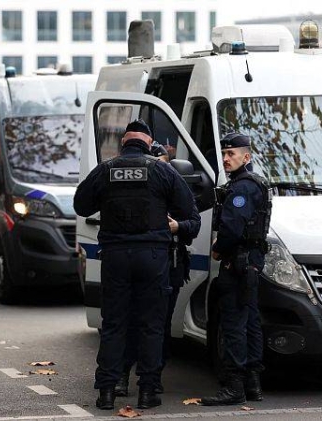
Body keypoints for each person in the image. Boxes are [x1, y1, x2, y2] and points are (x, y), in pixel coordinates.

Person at [74, 119, 196, 410]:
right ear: (149, 143)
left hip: (115, 257)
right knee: (151, 324)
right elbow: (191, 215)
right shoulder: (162, 170)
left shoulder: (106, 170)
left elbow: (81, 205)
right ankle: (148, 391)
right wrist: (176, 225)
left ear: (124, 143)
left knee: (114, 323)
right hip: (153, 258)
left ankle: (106, 391)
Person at [116, 141, 201, 397]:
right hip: (136, 264)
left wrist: (178, 227)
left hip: (169, 263)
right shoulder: (131, 194)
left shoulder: (177, 189)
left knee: (158, 324)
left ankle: (151, 376)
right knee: (130, 321)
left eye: (162, 165)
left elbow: (193, 222)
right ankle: (122, 374)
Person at [201, 132, 271, 406]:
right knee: (250, 322)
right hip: (250, 263)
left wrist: (219, 247)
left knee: (233, 325)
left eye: (232, 154)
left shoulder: (242, 188)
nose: (227, 159)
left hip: (237, 263)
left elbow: (231, 228)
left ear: (247, 156)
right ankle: (253, 384)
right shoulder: (255, 183)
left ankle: (234, 387)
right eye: (225, 154)